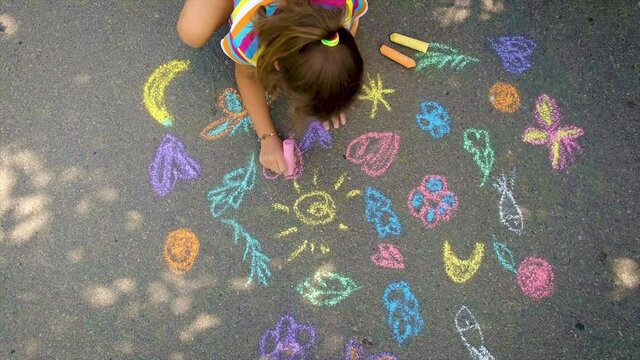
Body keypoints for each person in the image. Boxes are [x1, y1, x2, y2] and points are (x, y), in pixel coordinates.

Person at [177, 0, 367, 174]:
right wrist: (267, 137)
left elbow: (346, 35)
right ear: (277, 65)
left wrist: (331, 92)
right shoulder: (250, 35)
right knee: (192, 32)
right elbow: (248, 78)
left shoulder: (344, 7)